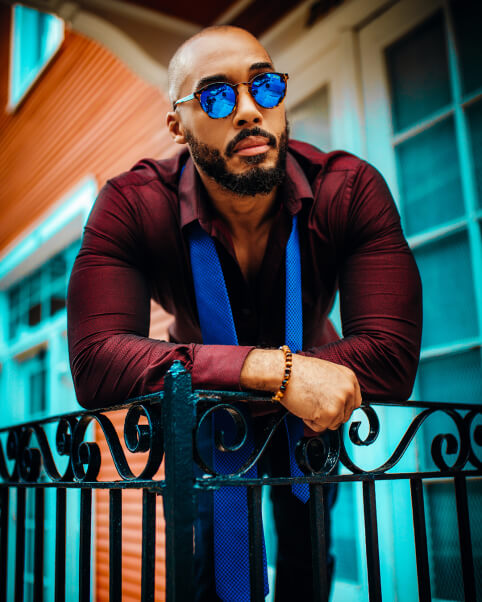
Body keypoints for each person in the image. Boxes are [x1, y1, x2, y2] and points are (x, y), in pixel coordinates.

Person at [67, 25, 422, 601]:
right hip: (212, 408)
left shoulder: (349, 189)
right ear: (177, 126)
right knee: (216, 563)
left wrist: (299, 379)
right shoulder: (131, 206)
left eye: (264, 86)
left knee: (309, 557)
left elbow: (391, 356)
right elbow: (94, 362)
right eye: (216, 96)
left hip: (314, 402)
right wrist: (270, 372)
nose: (250, 110)